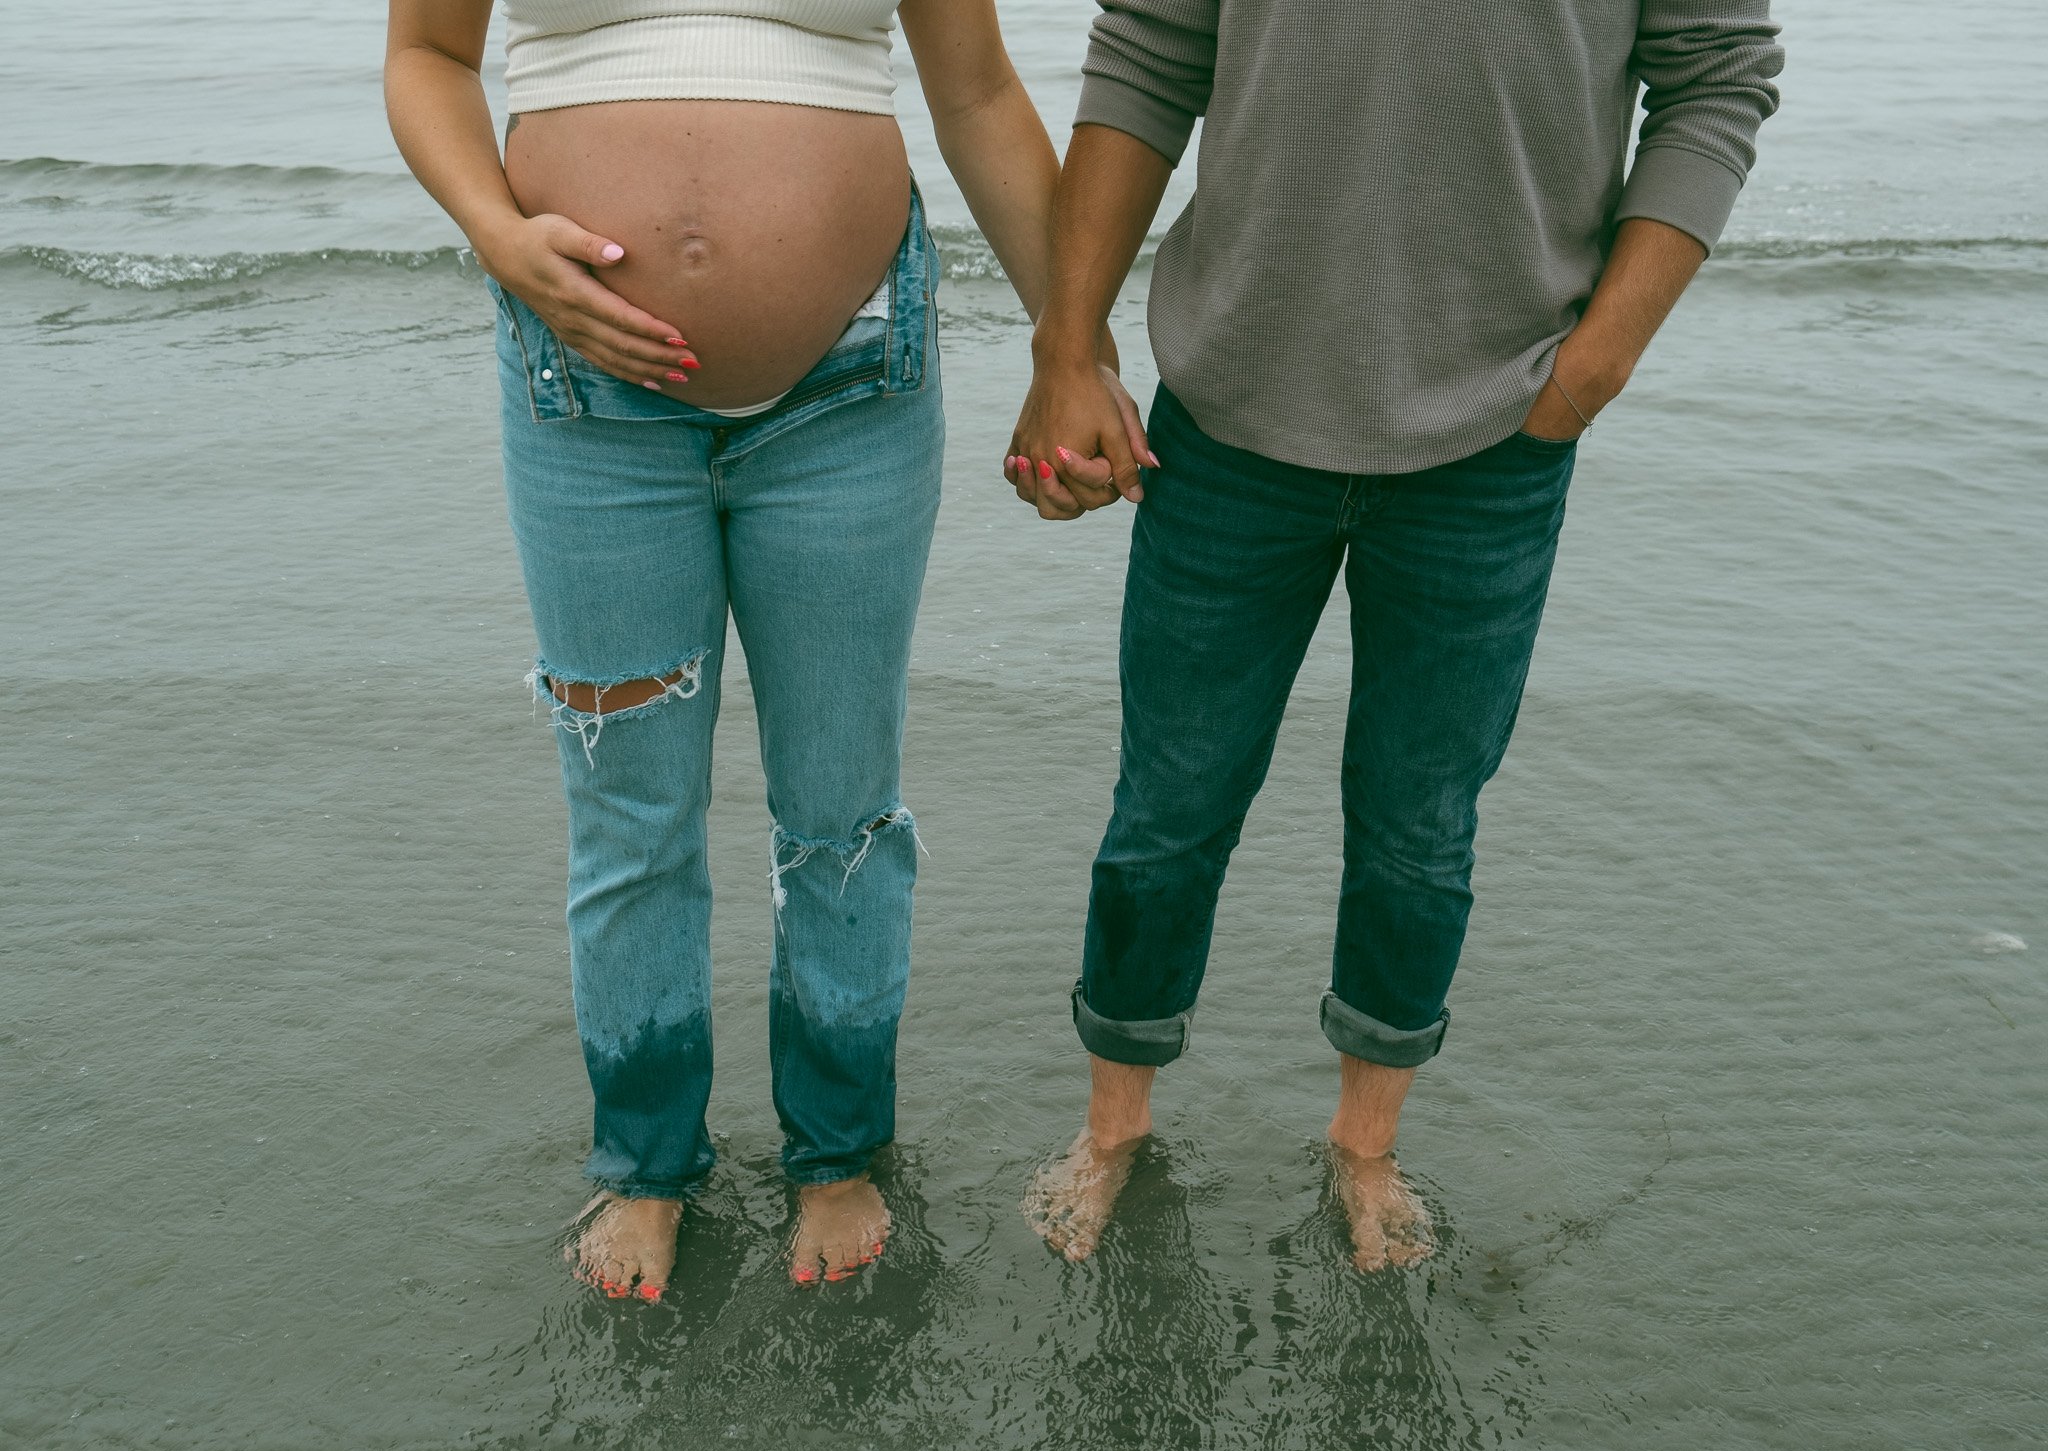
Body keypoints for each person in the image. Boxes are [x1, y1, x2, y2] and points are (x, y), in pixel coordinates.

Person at [385, 0, 1146, 1298]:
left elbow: (973, 94)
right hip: (588, 402)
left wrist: (1072, 346)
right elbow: (427, 60)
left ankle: (838, 1152)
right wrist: (502, 237)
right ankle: (643, 1163)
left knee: (842, 809)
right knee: (630, 813)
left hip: (851, 387)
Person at [1009, 0, 1783, 1269]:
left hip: (1497, 424)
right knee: (1169, 805)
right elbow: (1149, 56)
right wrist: (1065, 343)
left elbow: (1715, 80)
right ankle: (1112, 1130)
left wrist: (1599, 361)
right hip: (1226, 407)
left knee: (1419, 821)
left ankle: (1363, 1147)